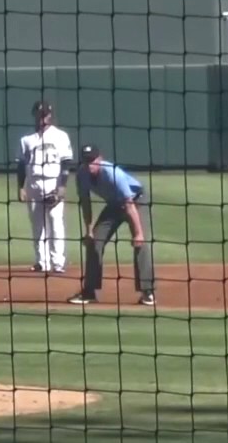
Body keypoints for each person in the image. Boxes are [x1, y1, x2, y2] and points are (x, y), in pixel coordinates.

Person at [69, 144, 157, 306]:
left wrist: (138, 233)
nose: (89, 165)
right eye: (86, 161)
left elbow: (129, 205)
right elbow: (86, 203)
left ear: (100, 159)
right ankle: (89, 292)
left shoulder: (112, 174)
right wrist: (89, 231)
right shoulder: (81, 175)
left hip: (136, 201)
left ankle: (148, 292)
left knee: (141, 243)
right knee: (94, 241)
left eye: (92, 161)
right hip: (114, 204)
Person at [16, 99, 75, 274]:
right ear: (35, 116)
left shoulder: (60, 136)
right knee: (37, 226)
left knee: (56, 223)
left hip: (53, 182)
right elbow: (21, 165)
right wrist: (21, 187)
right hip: (34, 183)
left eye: (45, 115)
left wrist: (62, 186)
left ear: (50, 115)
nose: (42, 119)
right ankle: (42, 262)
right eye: (39, 115)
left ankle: (58, 263)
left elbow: (66, 162)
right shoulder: (26, 140)